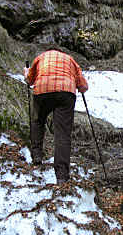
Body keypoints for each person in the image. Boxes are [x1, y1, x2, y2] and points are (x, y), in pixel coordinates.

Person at [24, 46, 88, 185]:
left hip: (42, 90)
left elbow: (29, 80)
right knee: (63, 134)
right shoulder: (70, 59)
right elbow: (83, 86)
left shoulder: (40, 58)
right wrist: (81, 87)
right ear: (61, 52)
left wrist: (26, 73)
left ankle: (37, 156)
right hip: (65, 93)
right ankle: (62, 176)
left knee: (38, 121)